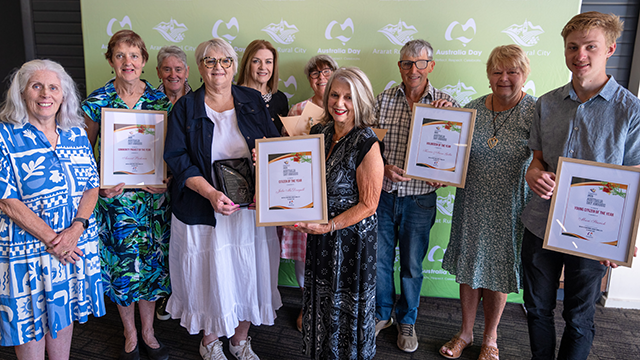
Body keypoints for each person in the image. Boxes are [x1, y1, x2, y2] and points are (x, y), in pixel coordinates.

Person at [521, 12, 640, 360]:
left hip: (594, 234)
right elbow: (537, 159)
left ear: (611, 49)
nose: (580, 55)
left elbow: (635, 176)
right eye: (573, 47)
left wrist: (625, 237)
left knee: (578, 317)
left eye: (590, 46)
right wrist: (533, 171)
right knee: (537, 309)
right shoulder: (546, 103)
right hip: (542, 224)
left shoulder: (631, 111)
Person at [164, 38, 282, 360]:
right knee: (209, 276)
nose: (218, 68)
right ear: (200, 67)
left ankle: (239, 341)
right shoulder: (185, 108)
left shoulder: (254, 100)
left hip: (249, 213)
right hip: (205, 210)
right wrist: (212, 193)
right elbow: (178, 159)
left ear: (234, 65)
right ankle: (210, 341)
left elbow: (275, 148)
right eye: (210, 61)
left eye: (225, 61)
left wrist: (265, 175)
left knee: (248, 273)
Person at [0, 59, 105, 359]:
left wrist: (76, 229)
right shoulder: (5, 136)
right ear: (21, 93)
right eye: (36, 86)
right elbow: (7, 200)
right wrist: (54, 239)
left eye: (53, 88)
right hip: (27, 250)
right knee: (31, 322)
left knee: (63, 314)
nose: (45, 94)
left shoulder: (75, 132)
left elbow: (91, 185)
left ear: (64, 95)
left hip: (73, 243)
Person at [439, 45, 535, 360]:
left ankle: (490, 337)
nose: (504, 78)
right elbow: (451, 154)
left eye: (512, 72)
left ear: (525, 74)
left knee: (497, 273)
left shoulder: (535, 113)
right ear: (488, 74)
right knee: (469, 270)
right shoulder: (471, 110)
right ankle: (465, 332)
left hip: (510, 208)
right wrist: (440, 168)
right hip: (471, 202)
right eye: (497, 71)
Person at [82, 29, 171, 360]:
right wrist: (98, 184)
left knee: (149, 268)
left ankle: (148, 331)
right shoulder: (96, 102)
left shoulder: (161, 102)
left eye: (134, 56)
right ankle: (130, 334)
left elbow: (172, 153)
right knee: (122, 270)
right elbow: (83, 154)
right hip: (115, 203)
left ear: (144, 60)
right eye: (120, 56)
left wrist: (169, 178)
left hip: (153, 202)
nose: (128, 62)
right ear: (110, 60)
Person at [286, 67, 384, 360]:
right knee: (320, 303)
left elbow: (369, 204)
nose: (339, 103)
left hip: (350, 243)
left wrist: (329, 226)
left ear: (361, 101)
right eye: (335, 95)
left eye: (348, 97)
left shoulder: (367, 142)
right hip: (321, 238)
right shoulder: (320, 132)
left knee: (345, 311)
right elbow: (301, 174)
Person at [374, 39, 459, 353]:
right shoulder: (381, 102)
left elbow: (456, 156)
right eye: (407, 63)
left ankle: (407, 320)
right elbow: (367, 147)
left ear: (431, 66)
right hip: (383, 195)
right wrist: (381, 168)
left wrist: (445, 173)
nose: (414, 69)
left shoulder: (448, 105)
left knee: (412, 265)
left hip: (420, 198)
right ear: (399, 66)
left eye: (420, 63)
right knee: (381, 261)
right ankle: (383, 314)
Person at [281, 54, 339, 332]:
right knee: (305, 253)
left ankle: (328, 306)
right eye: (315, 73)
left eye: (326, 71)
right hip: (303, 192)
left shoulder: (344, 108)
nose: (321, 77)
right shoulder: (298, 110)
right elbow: (284, 152)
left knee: (331, 252)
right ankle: (308, 305)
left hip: (336, 194)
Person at [154, 45, 191, 322]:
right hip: (154, 184)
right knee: (162, 240)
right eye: (167, 69)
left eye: (178, 69)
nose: (173, 74)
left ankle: (185, 295)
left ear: (187, 71)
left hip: (188, 184)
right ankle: (165, 294)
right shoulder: (149, 102)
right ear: (158, 72)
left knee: (185, 245)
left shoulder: (200, 101)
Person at [236, 39, 288, 133]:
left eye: (268, 62)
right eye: (256, 61)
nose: (263, 67)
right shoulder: (234, 97)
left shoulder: (280, 99)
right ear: (247, 64)